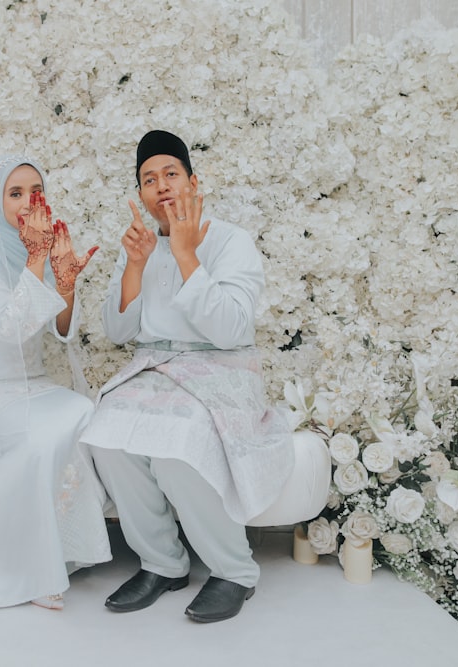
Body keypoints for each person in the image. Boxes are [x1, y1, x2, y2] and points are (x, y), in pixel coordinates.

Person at [81, 130, 294, 623]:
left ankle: (235, 571)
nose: (161, 186)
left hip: (222, 369)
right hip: (155, 368)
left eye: (171, 174)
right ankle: (162, 563)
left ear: (194, 183)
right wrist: (135, 266)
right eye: (149, 180)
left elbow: (231, 329)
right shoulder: (137, 245)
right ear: (142, 195)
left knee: (179, 440)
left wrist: (184, 252)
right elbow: (117, 333)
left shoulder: (230, 240)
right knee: (106, 434)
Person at [0, 154, 111, 610]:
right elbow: (9, 327)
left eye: (35, 191)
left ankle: (50, 556)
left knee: (81, 410)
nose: (28, 201)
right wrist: (36, 258)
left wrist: (65, 282)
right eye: (15, 193)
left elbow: (61, 332)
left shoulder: (41, 246)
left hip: (30, 383)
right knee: (39, 435)